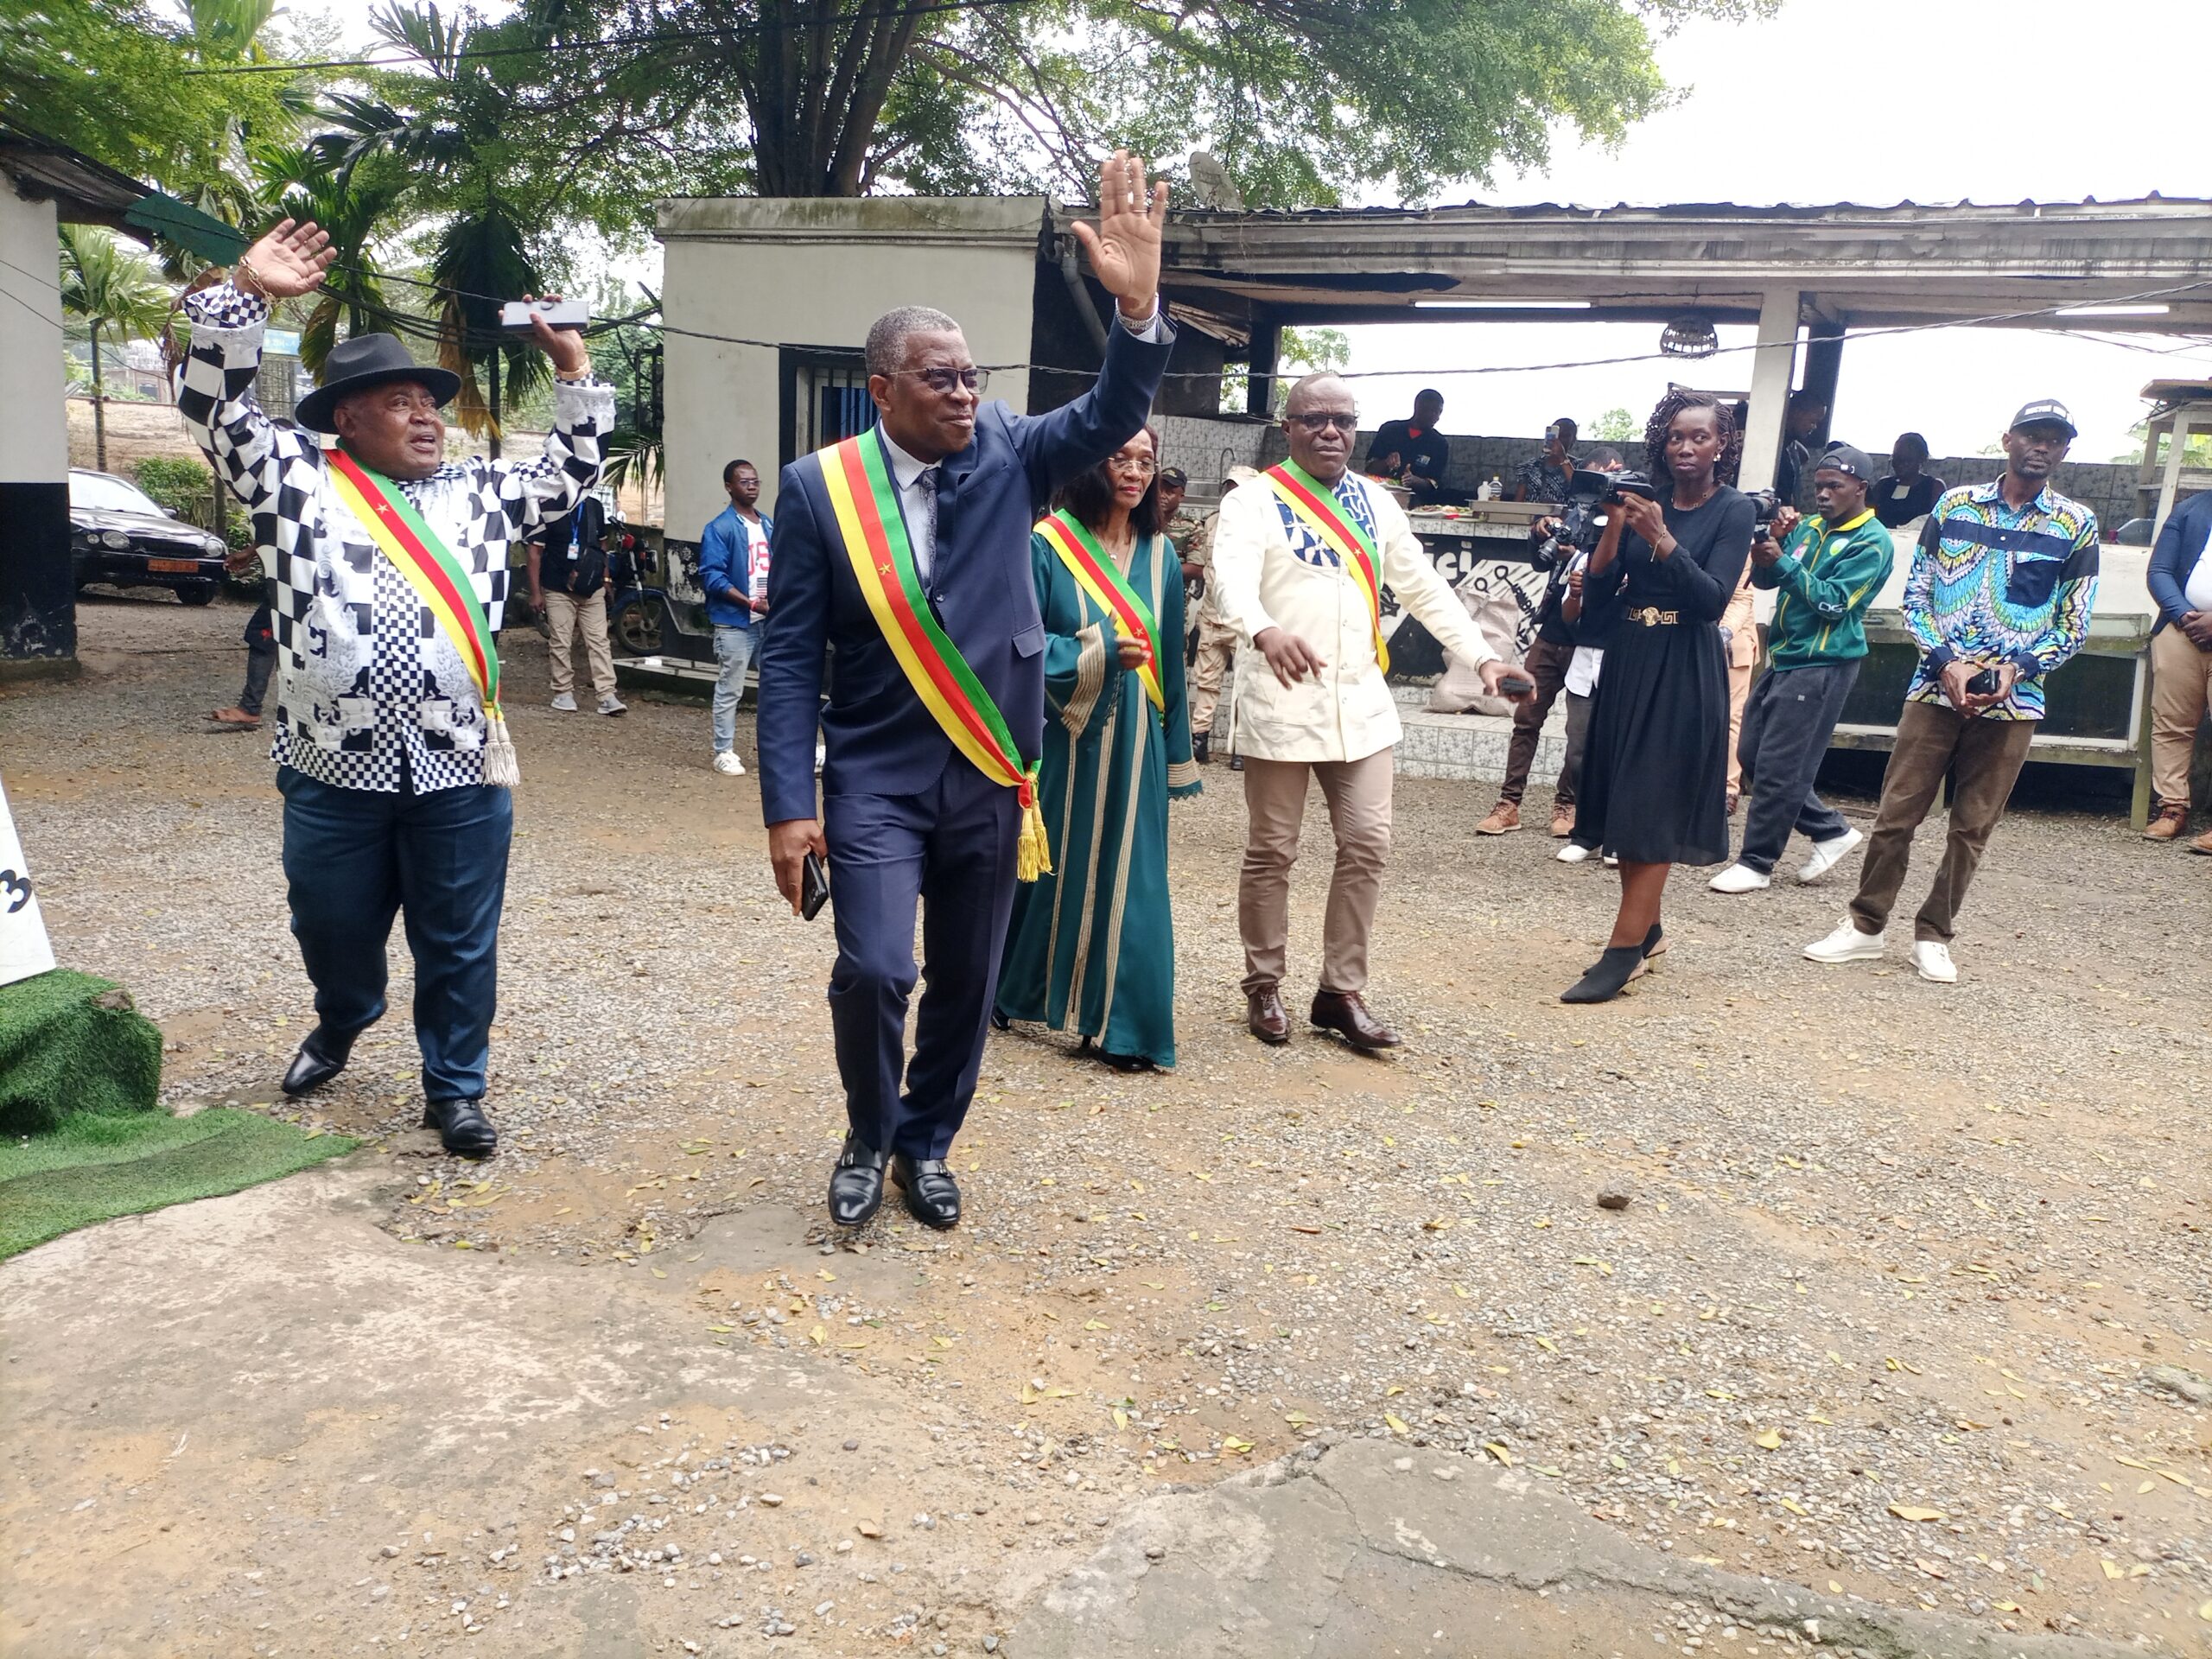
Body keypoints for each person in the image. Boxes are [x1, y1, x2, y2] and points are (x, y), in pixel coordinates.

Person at [756, 150, 1175, 1233]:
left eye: (970, 375)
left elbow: (1107, 413)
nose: (962, 392)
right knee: (873, 967)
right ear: (882, 390)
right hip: (875, 777)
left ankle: (926, 1145)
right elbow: (791, 656)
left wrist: (1135, 313)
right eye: (938, 378)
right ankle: (868, 1132)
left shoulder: (1010, 450)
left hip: (993, 770)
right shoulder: (818, 490)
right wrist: (788, 807)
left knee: (967, 980)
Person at [175, 218, 613, 1156]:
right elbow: (211, 408)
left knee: (458, 940)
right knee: (330, 926)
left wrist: (573, 368)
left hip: (461, 767)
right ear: (346, 418)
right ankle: (344, 1015)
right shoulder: (289, 478)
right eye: (399, 402)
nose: (426, 417)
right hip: (331, 769)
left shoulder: (482, 493)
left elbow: (574, 473)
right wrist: (246, 292)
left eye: (429, 403)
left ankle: (454, 1088)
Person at [1211, 372, 1526, 1051]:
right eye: (1314, 419)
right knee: (1273, 850)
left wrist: (1482, 658)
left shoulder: (1376, 503)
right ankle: (1263, 983)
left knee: (1368, 843)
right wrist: (1264, 630)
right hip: (1284, 697)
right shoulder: (1255, 501)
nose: (1330, 431)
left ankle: (1339, 991)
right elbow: (1229, 579)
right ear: (1289, 428)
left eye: (1343, 420)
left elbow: (1424, 588)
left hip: (1359, 701)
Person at [1806, 399, 2098, 983]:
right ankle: (1866, 925)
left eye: (2054, 438)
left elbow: (2073, 622)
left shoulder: (2075, 524)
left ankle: (1934, 934)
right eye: (2032, 435)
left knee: (1972, 827)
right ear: (2008, 439)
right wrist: (1945, 663)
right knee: (1896, 814)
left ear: (2065, 449)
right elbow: (1916, 596)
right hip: (1934, 691)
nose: (2042, 446)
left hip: (2015, 701)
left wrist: (2018, 668)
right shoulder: (1954, 505)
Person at [993, 429, 1200, 1071]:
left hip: (1137, 742)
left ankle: (1122, 1027)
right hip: (1064, 737)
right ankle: (1008, 988)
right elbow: (1016, 646)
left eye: (1147, 462)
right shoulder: (1046, 544)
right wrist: (1100, 650)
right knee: (1055, 873)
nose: (1135, 472)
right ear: (1090, 465)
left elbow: (1171, 665)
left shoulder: (1162, 557)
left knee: (1134, 879)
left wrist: (1176, 752)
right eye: (1120, 458)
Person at [1560, 391, 1756, 1003]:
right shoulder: (1649, 501)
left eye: (1700, 436)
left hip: (1683, 667)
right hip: (1630, 658)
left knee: (1652, 803)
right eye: (1675, 437)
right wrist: (1616, 525)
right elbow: (1599, 596)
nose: (1686, 447)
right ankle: (1649, 933)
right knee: (1626, 799)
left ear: (1722, 445)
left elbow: (1711, 600)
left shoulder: (1734, 510)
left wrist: (1662, 536)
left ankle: (1622, 952)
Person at [1708, 444, 1896, 893]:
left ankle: (1756, 863)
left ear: (1860, 488)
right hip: (1786, 656)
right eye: (1819, 486)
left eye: (1835, 486)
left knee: (1779, 765)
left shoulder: (1873, 542)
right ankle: (1830, 830)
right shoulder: (1809, 527)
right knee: (1752, 754)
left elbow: (1834, 604)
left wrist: (1783, 561)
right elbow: (1766, 579)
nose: (1823, 494)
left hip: (1824, 663)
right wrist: (1768, 544)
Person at [1477, 446, 1624, 839]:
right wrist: (1537, 533)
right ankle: (1509, 804)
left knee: (1580, 732)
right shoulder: (1571, 513)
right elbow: (1540, 563)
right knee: (1525, 719)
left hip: (1590, 642)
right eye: (1589, 480)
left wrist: (1582, 555)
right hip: (1551, 634)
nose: (1594, 489)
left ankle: (1567, 804)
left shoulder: (1622, 522)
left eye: (1602, 480)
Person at [2141, 486, 2212, 849]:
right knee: (2171, 723)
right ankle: (2172, 808)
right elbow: (2159, 571)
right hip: (2181, 630)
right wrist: (2184, 615)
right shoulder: (2191, 509)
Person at [699, 460, 774, 776]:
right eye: (744, 482)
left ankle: (780, 750)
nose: (751, 486)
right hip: (735, 623)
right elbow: (712, 577)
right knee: (730, 689)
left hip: (768, 621)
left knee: (777, 687)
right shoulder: (719, 528)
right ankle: (724, 752)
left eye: (755, 481)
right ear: (729, 487)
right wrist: (751, 603)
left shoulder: (768, 524)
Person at [529, 492, 624, 717]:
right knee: (561, 641)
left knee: (599, 641)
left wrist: (606, 579)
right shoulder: (547, 506)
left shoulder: (594, 507)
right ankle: (563, 692)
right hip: (557, 587)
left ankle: (607, 694)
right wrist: (536, 593)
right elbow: (534, 552)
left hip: (591, 587)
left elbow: (602, 545)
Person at [1185, 467, 1254, 762]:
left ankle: (1240, 749)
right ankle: (1199, 742)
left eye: (1239, 489)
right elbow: (1202, 565)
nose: (1232, 494)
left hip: (1246, 620)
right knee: (1206, 683)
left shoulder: (1262, 524)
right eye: (1229, 488)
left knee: (1245, 685)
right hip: (1212, 617)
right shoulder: (1212, 522)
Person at [207, 547, 276, 729]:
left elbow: (278, 531)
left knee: (262, 635)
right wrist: (251, 552)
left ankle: (250, 708)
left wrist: (251, 551)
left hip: (298, 577)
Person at [1719, 545, 1760, 813]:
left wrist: (1722, 633)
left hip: (1733, 641)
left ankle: (1728, 789)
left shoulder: (1740, 541)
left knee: (1732, 717)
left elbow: (1742, 597)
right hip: (1693, 637)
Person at [1366, 390, 1452, 506]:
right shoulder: (1390, 430)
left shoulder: (1439, 443)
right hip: (1379, 499)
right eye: (1430, 410)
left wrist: (1415, 481)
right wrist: (1386, 462)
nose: (1435, 416)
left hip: (1417, 505)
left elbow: (1434, 484)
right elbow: (1369, 468)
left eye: (1438, 412)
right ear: (1418, 407)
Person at [1872, 432, 1945, 530]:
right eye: (1896, 458)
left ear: (1921, 459)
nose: (1900, 463)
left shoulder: (1934, 487)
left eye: (1907, 459)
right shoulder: (1883, 485)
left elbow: (1939, 522)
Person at [1774, 391, 1827, 505]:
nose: (1814, 427)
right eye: (1813, 421)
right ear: (1797, 413)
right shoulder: (1772, 446)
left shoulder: (1793, 447)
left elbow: (1804, 455)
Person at [1512, 417, 1580, 505]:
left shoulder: (1580, 467)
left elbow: (1579, 490)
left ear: (1573, 440)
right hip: (1532, 514)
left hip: (1564, 514)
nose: (1558, 439)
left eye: (1564, 436)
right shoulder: (1530, 467)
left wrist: (1562, 457)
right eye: (1555, 435)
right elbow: (1517, 504)